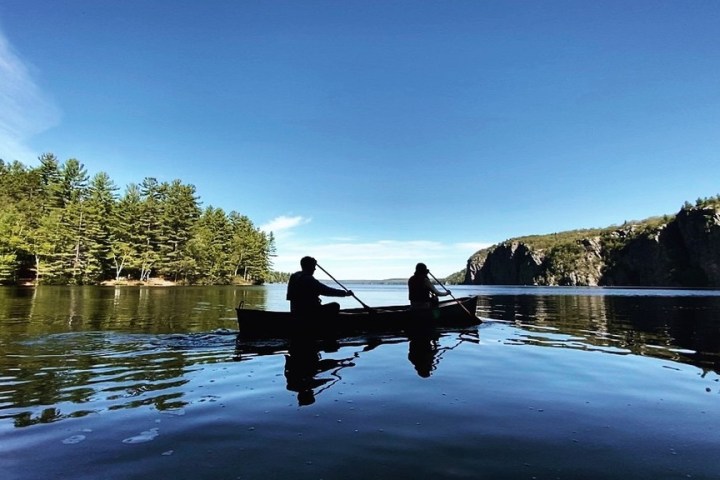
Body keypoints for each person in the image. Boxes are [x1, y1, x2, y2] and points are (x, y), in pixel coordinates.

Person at [286, 256, 354, 317]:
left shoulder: (294, 276)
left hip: (295, 311)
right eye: (313, 266)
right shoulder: (308, 279)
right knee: (335, 306)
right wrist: (345, 293)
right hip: (308, 313)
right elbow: (326, 290)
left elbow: (289, 296)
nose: (315, 269)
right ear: (309, 266)